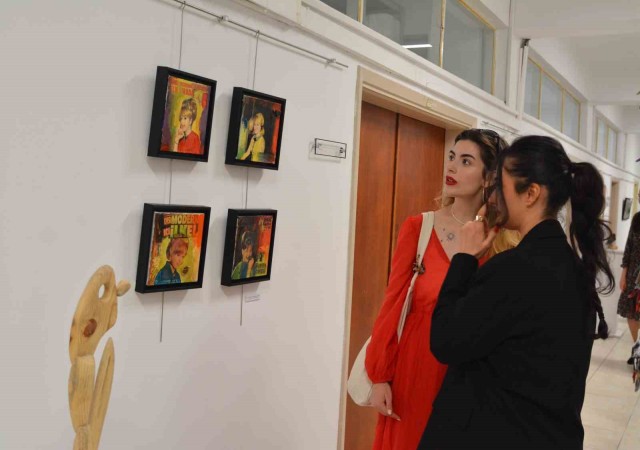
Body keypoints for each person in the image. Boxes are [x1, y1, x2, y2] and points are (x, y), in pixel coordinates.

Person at [419, 135, 613, 450]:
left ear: (531, 194)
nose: (493, 197)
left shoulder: (513, 269)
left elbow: (445, 340)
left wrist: (464, 260)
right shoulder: (576, 270)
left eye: (500, 186)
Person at [364, 129, 512, 450]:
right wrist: (379, 376)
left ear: (489, 177)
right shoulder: (419, 227)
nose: (452, 166)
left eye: (466, 161)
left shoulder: (500, 239)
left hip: (471, 374)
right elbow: (393, 304)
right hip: (414, 369)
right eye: (452, 157)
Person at [618, 194, 640, 364]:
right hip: (633, 273)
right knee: (630, 312)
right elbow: (629, 246)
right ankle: (637, 348)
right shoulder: (637, 219)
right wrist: (624, 273)